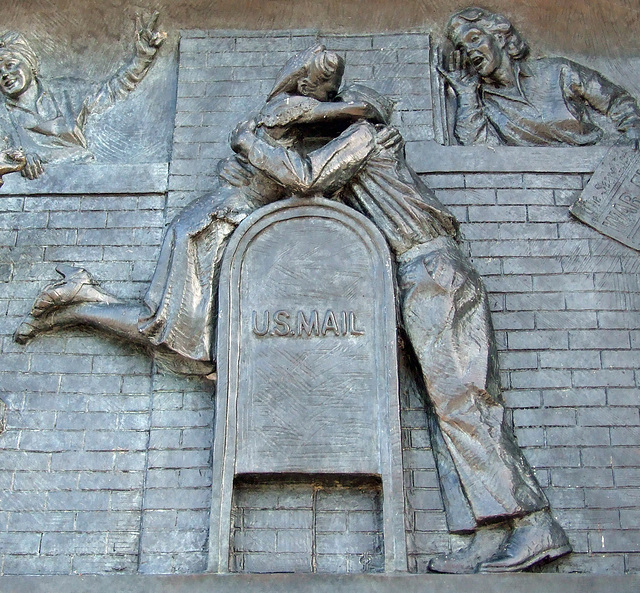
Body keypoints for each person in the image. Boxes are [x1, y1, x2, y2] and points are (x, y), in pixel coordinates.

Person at [229, 81, 571, 573]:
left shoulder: (365, 138)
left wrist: (250, 143)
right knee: (445, 410)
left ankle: (534, 524)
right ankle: (488, 529)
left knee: (464, 401)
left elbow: (305, 177)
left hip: (432, 270)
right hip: (419, 276)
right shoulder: (352, 151)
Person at [13, 45, 390, 377]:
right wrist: (366, 111)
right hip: (215, 226)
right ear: (307, 89)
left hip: (221, 218)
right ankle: (77, 308)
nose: (334, 99)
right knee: (165, 328)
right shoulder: (294, 107)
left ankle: (80, 300)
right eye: (329, 91)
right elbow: (360, 112)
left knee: (168, 329)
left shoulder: (285, 110)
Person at [440, 7, 640, 146]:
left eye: (474, 39)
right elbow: (479, 154)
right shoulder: (483, 105)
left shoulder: (558, 71)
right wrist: (466, 95)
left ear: (499, 37)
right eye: (462, 49)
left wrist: (633, 131)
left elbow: (617, 101)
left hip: (597, 170)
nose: (470, 51)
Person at [0, 13, 166, 179]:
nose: (5, 74)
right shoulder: (3, 115)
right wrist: (17, 161)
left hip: (82, 176)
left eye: (10, 65)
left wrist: (142, 58)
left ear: (30, 62)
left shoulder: (67, 91)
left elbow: (111, 91)